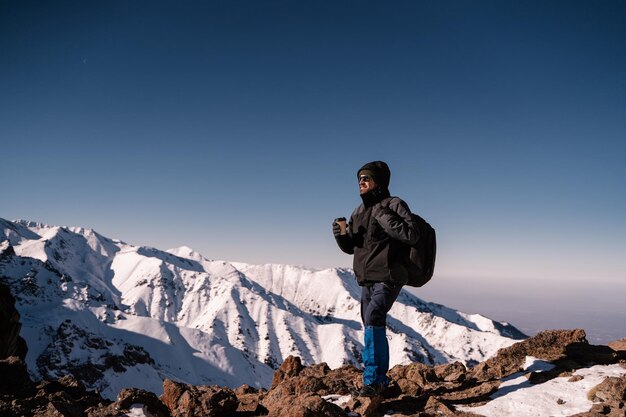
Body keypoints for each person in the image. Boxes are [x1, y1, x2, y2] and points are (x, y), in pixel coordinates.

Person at [333, 161, 418, 397]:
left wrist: (382, 214)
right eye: (359, 179)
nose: (361, 182)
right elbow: (353, 248)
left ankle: (373, 382)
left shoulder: (393, 204)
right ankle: (380, 380)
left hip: (389, 275)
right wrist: (341, 236)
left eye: (366, 178)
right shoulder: (358, 212)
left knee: (374, 316)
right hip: (367, 278)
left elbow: (411, 234)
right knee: (371, 323)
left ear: (379, 182)